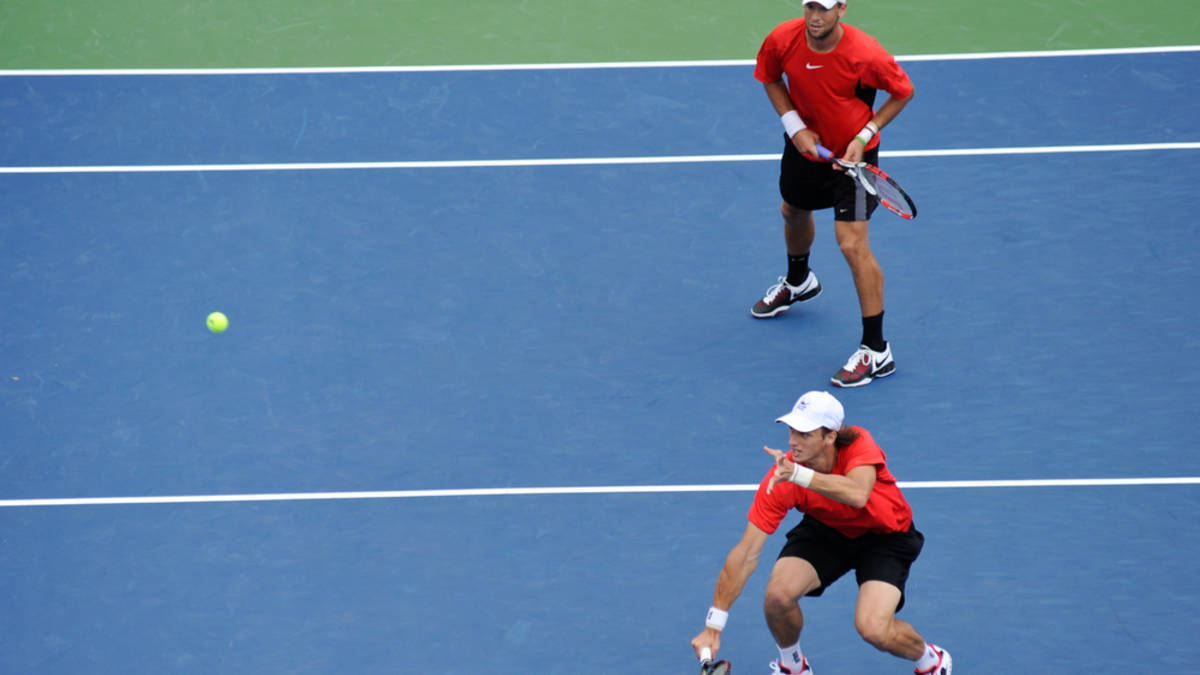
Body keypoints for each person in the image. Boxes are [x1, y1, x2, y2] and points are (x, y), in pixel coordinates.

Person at [690, 391, 951, 674]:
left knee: (873, 629)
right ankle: (794, 667)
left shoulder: (857, 444)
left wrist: (797, 475)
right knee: (777, 597)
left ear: (830, 437)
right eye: (792, 430)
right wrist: (713, 625)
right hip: (827, 529)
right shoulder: (781, 478)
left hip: (885, 537)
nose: (792, 441)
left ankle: (931, 660)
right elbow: (745, 554)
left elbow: (857, 494)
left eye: (804, 434)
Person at [749, 0, 915, 388]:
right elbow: (770, 77)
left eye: (823, 8)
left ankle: (876, 351)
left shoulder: (866, 53)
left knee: (852, 244)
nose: (815, 16)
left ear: (841, 8)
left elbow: (902, 92)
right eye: (810, 6)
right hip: (806, 146)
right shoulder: (782, 39)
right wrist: (795, 127)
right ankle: (799, 282)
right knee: (793, 210)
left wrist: (864, 136)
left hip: (854, 157)